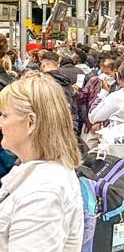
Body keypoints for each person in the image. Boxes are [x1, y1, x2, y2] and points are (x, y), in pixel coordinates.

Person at [0, 73, 83, 251]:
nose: (1, 123)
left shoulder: (42, 193)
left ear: (31, 122)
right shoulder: (40, 173)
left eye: (5, 116)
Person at [88, 59, 124, 128]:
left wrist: (103, 93)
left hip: (120, 136)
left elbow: (93, 116)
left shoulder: (115, 97)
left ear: (119, 77)